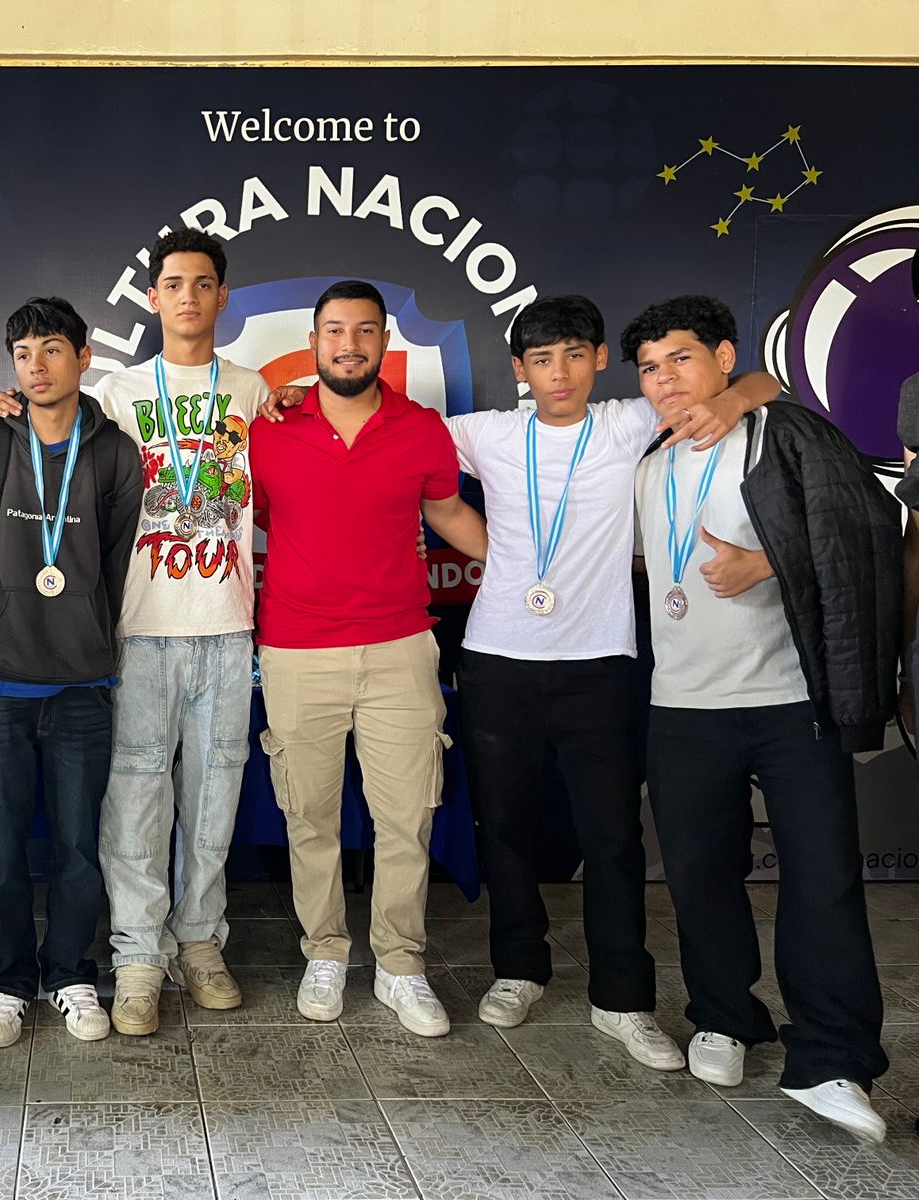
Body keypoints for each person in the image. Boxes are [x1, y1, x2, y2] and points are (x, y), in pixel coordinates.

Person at [0, 230, 269, 1035]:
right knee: (132, 813)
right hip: (136, 633)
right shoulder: (115, 393)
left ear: (222, 296)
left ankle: (200, 943)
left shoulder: (256, 389)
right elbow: (45, 427)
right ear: (152, 298)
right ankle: (137, 957)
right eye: (173, 284)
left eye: (203, 283)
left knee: (213, 805)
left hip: (226, 626)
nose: (187, 297)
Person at [444, 295, 776, 1068]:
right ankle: (518, 970)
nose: (558, 373)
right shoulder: (486, 434)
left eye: (573, 354)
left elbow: (767, 386)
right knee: (507, 828)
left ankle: (622, 999)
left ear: (599, 358)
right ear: (519, 369)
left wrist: (732, 401)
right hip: (498, 659)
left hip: (601, 663)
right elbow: (391, 436)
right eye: (540, 359)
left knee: (613, 837)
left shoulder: (630, 421)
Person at [629, 294, 897, 1141]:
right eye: (649, 367)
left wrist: (769, 564)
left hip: (788, 702)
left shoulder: (783, 434)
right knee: (699, 876)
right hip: (682, 706)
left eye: (681, 358)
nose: (665, 379)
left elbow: (867, 530)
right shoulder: (649, 459)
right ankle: (724, 1016)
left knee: (823, 880)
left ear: (723, 357)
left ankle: (832, 1059)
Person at [252, 279, 486, 1033]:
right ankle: (325, 952)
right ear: (314, 342)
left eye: (363, 331)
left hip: (399, 648)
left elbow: (446, 511)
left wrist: (529, 572)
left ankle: (400, 963)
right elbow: (240, 517)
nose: (348, 344)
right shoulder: (267, 429)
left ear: (384, 341)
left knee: (406, 818)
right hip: (296, 650)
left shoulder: (421, 429)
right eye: (334, 330)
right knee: (308, 816)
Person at [0, 297, 142, 1049]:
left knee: (79, 847)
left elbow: (116, 565)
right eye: (22, 353)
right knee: (1, 848)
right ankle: (8, 981)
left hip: (82, 686)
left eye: (52, 349)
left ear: (84, 357)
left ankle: (71, 974)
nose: (36, 366)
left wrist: (90, 637)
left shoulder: (115, 453)